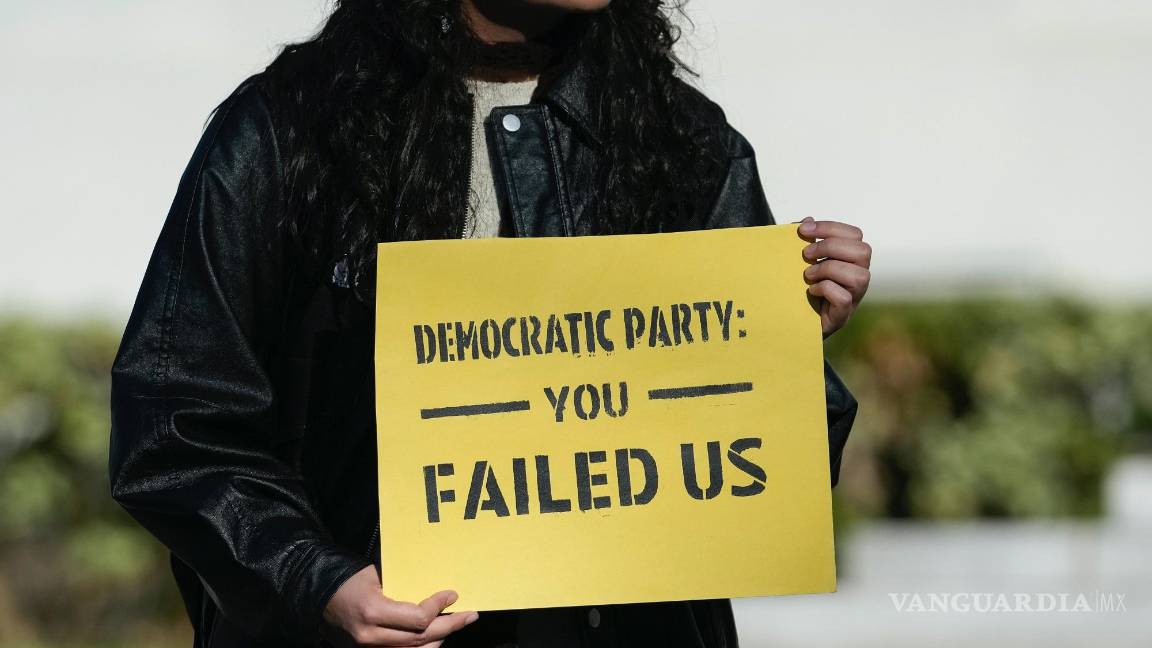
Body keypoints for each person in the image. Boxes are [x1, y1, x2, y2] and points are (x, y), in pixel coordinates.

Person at [109, 1, 870, 646]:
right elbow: (176, 423)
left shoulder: (682, 139)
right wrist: (319, 581)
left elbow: (772, 466)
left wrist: (779, 339)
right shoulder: (291, 128)